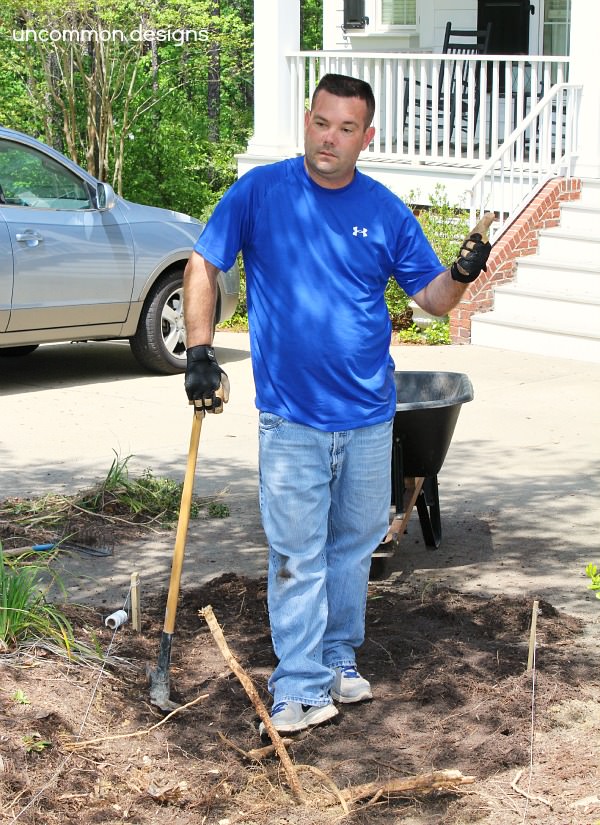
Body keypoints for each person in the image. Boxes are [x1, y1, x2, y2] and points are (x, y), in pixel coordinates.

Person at [183, 73, 492, 737]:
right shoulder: (261, 193)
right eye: (322, 122)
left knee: (353, 549)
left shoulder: (383, 209)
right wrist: (200, 350)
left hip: (369, 416)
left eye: (346, 128)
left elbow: (432, 300)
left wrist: (463, 272)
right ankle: (295, 685)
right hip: (292, 418)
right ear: (307, 119)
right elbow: (203, 264)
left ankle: (335, 656)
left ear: (366, 136)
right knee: (297, 551)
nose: (330, 137)